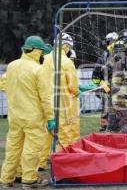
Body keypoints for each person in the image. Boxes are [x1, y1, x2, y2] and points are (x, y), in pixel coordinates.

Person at [0, 35, 54, 189]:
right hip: (33, 118)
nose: (43, 55)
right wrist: (50, 118)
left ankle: (7, 179)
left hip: (14, 117)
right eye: (42, 52)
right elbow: (45, 97)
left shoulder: (12, 66)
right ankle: (29, 180)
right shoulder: (38, 69)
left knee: (13, 148)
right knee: (32, 149)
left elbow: (3, 84)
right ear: (36, 51)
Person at [39, 33, 80, 170]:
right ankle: (64, 164)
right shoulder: (67, 62)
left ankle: (40, 163)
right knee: (65, 134)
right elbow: (73, 87)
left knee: (47, 133)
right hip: (63, 103)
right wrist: (77, 91)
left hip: (46, 101)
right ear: (66, 46)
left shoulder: (44, 59)